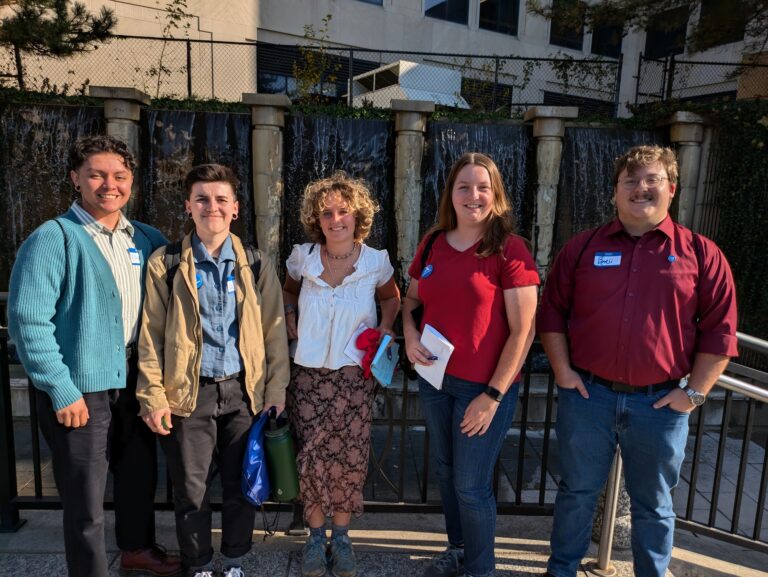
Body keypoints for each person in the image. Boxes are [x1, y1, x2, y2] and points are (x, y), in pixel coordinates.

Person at [538, 145, 738, 577]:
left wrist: (693, 393)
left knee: (654, 504)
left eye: (652, 180)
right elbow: (551, 312)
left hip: (661, 405)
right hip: (588, 397)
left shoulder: (702, 254)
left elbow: (720, 331)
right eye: (630, 180)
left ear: (672, 188)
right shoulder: (581, 249)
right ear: (615, 191)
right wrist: (563, 371)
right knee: (576, 494)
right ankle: (561, 571)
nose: (640, 188)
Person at [7, 135, 180, 577]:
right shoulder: (54, 238)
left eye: (119, 176)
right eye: (96, 175)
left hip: (136, 383)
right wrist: (61, 389)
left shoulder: (148, 238)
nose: (109, 185)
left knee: (138, 475)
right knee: (85, 496)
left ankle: (137, 550)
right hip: (80, 388)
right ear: (75, 179)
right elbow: (28, 320)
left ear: (132, 180)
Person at [136, 163, 290, 577]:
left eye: (221, 199)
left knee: (242, 484)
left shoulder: (255, 263)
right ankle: (199, 564)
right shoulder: (166, 263)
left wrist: (276, 391)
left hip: (243, 392)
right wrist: (152, 396)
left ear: (235, 208)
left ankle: (235, 561)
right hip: (188, 393)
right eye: (202, 199)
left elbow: (275, 333)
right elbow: (151, 336)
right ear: (189, 206)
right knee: (191, 490)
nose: (212, 207)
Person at [403, 152, 539, 577]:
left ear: (495, 195)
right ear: (451, 194)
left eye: (483, 187)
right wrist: (409, 336)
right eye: (464, 186)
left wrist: (493, 395)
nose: (473, 195)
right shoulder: (433, 243)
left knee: (471, 485)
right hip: (435, 381)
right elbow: (411, 301)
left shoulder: (510, 250)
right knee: (446, 472)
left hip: (482, 389)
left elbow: (524, 331)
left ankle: (481, 569)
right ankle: (459, 549)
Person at [282, 171, 400, 577]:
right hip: (308, 376)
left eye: (343, 211)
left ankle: (343, 538)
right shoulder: (303, 258)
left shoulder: (375, 261)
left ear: (357, 216)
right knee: (310, 457)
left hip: (353, 377)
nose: (336, 220)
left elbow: (392, 299)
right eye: (327, 213)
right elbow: (288, 290)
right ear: (317, 219)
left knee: (350, 457)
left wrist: (386, 328)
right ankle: (316, 539)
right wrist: (290, 311)